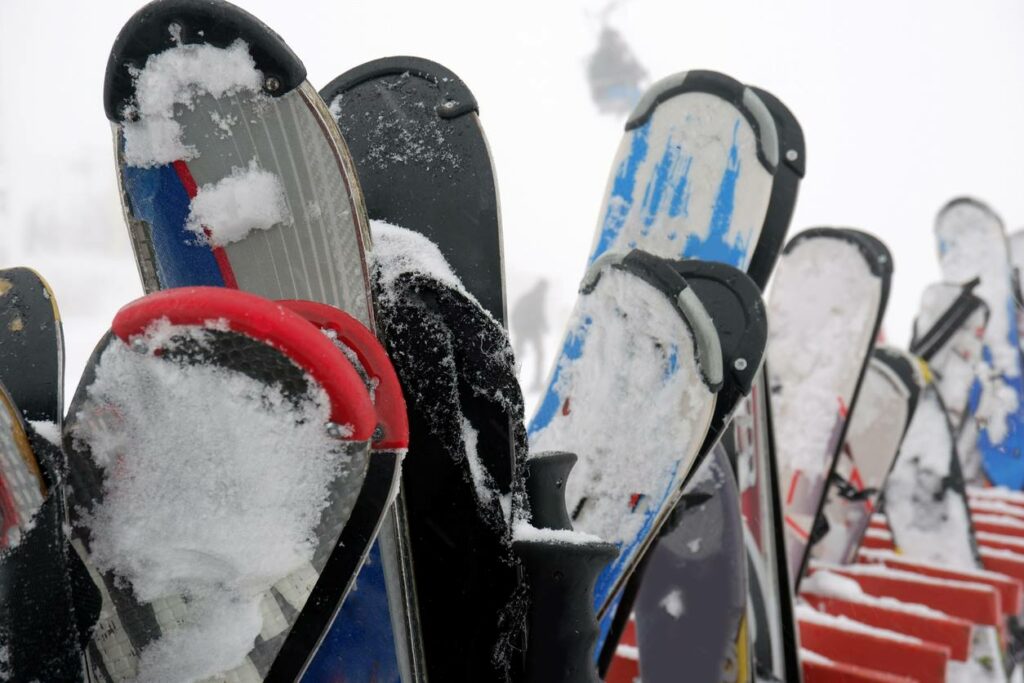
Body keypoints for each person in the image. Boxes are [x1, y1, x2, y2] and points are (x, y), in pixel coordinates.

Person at [512, 279, 550, 391]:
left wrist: (544, 325)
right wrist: (519, 329)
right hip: (525, 329)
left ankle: (536, 382)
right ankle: (511, 379)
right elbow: (536, 313)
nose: (545, 292)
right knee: (519, 355)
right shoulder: (534, 297)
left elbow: (539, 314)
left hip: (529, 329)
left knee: (534, 355)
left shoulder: (535, 297)